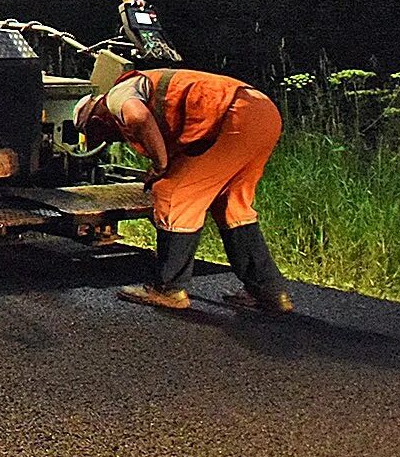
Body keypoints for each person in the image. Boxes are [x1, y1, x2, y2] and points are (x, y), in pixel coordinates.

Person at [75, 66, 294, 313]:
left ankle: (169, 289)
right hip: (261, 112)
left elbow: (138, 118)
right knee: (232, 206)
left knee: (173, 194)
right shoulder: (141, 88)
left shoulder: (116, 97)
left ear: (96, 120)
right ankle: (270, 293)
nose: (113, 139)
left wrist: (160, 166)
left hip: (232, 115)